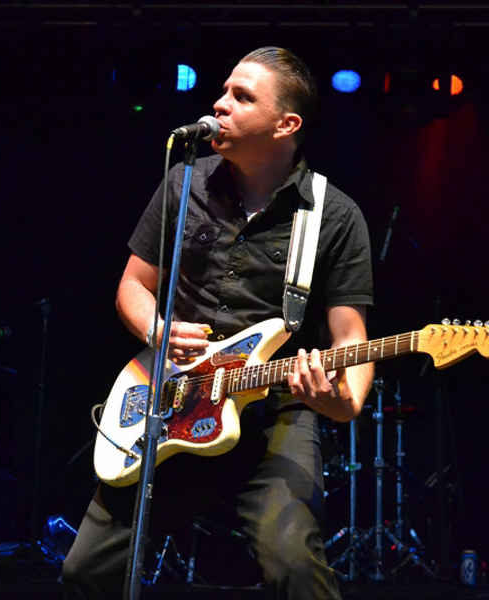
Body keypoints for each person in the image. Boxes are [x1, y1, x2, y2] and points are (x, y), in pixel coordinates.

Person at [62, 46, 374, 600]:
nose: (219, 104)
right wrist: (158, 332)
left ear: (286, 125)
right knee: (85, 572)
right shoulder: (184, 183)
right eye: (225, 91)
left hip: (272, 412)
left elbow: (351, 337)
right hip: (174, 400)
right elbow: (133, 286)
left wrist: (341, 402)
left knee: (297, 570)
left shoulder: (335, 215)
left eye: (242, 97)